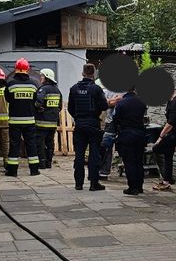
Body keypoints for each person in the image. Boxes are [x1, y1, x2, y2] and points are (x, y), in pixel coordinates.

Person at [66, 63, 107, 191]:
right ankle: (94, 184)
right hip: (93, 124)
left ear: (83, 73)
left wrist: (78, 118)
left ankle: (78, 184)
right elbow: (104, 106)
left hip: (79, 125)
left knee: (79, 155)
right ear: (94, 74)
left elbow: (70, 108)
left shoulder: (73, 89)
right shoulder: (96, 89)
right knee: (94, 154)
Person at [4, 58, 41, 176]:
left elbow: (8, 99)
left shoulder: (10, 84)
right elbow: (36, 101)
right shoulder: (33, 85)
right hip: (30, 120)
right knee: (31, 144)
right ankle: (34, 170)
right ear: (27, 70)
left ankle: (12, 171)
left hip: (14, 121)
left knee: (14, 145)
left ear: (16, 70)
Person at [113, 86, 148, 195]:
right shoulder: (142, 102)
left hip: (126, 134)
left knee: (129, 162)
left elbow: (115, 120)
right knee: (139, 161)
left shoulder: (121, 103)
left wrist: (117, 132)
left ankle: (132, 187)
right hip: (139, 134)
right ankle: (139, 186)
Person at [151, 88, 176, 191]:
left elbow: (171, 123)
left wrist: (161, 137)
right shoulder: (170, 102)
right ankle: (166, 182)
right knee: (168, 155)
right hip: (173, 131)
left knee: (156, 148)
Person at [94, 77, 123, 180]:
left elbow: (118, 102)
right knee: (106, 146)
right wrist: (112, 101)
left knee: (123, 147)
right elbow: (105, 103)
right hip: (110, 121)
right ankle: (104, 172)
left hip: (122, 122)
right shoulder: (108, 89)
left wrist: (112, 101)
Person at [34, 68, 62, 169]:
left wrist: (38, 108)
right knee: (50, 143)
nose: (40, 78)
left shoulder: (43, 89)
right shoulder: (57, 90)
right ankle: (49, 162)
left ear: (46, 78)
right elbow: (60, 107)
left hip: (42, 123)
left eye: (42, 76)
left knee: (40, 143)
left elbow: (38, 103)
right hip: (53, 123)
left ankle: (41, 163)